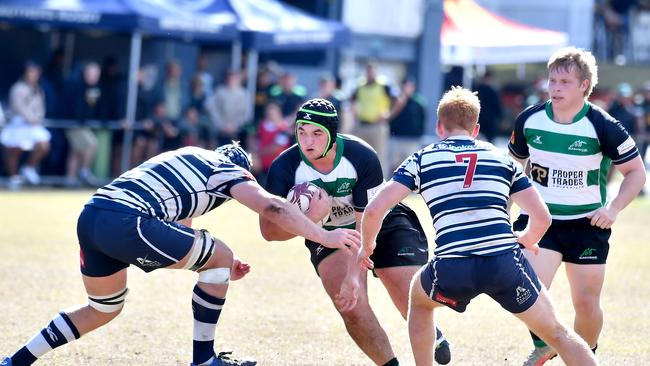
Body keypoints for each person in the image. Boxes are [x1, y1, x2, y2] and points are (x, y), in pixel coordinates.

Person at [1, 143, 360, 366]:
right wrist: (322, 235)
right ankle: (203, 361)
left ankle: (16, 361)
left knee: (103, 308)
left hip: (93, 215)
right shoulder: (228, 170)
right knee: (221, 253)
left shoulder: (187, 157)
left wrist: (217, 268)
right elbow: (270, 207)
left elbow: (181, 226)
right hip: (128, 220)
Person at [338, 86, 599, 366]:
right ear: (475, 129)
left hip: (452, 267)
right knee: (558, 333)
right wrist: (527, 238)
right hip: (503, 264)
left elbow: (375, 208)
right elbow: (543, 216)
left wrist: (367, 248)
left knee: (420, 301)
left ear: (439, 126)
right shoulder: (502, 159)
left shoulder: (422, 158)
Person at [259, 98, 451, 366]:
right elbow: (268, 232)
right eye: (301, 131)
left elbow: (366, 224)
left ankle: (435, 334)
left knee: (405, 290)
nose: (307, 141)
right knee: (351, 306)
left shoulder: (360, 156)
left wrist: (354, 275)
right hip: (328, 233)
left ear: (333, 134)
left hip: (379, 219)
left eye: (316, 133)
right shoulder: (285, 167)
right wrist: (311, 219)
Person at [508, 47, 646, 365]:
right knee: (525, 290)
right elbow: (511, 168)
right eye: (552, 80)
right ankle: (546, 343)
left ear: (584, 85)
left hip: (587, 225)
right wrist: (506, 205)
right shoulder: (530, 119)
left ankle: (586, 354)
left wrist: (612, 209)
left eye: (565, 82)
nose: (555, 88)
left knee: (585, 302)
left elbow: (636, 172)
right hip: (539, 220)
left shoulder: (602, 125)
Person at [0, 61, 50, 190]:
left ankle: (28, 167)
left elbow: (41, 107)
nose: (34, 75)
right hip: (17, 123)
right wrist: (30, 118)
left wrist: (38, 117)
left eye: (36, 72)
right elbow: (18, 107)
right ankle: (13, 178)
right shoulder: (17, 88)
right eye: (31, 72)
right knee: (14, 149)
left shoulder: (39, 89)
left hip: (33, 125)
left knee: (44, 144)